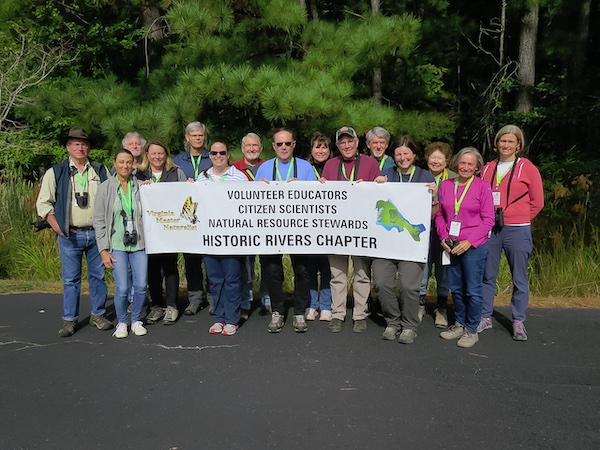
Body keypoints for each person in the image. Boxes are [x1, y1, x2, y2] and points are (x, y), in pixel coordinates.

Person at [36, 127, 113, 337]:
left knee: (98, 277)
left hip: (97, 234)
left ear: (88, 147)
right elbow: (43, 203)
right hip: (69, 235)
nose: (80, 147)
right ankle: (69, 320)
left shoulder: (100, 169)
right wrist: (56, 226)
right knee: (71, 279)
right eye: (75, 143)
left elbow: (111, 197)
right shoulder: (57, 171)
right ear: (68, 146)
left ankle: (98, 314)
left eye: (84, 143)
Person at [479, 125, 544, 341]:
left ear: (518, 145)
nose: (506, 145)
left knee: (519, 277)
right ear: (496, 143)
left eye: (511, 141)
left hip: (517, 229)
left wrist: (520, 217)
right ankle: (485, 316)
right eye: (502, 141)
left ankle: (518, 320)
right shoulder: (488, 168)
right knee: (487, 275)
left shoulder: (527, 168)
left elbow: (537, 202)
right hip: (491, 228)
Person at [372, 136, 437, 344]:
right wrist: (376, 187)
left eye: (406, 153)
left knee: (409, 287)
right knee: (382, 283)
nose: (402, 158)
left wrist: (434, 196)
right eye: (398, 154)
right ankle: (393, 321)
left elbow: (434, 213)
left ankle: (409, 325)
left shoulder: (425, 176)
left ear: (414, 155)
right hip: (386, 244)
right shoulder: (385, 175)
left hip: (412, 244)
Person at [256, 128, 317, 333]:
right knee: (272, 270)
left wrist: (304, 188)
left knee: (302, 270)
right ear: (273, 146)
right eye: (279, 144)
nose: (283, 147)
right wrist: (259, 187)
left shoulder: (305, 167)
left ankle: (299, 312)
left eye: (287, 143)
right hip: (271, 228)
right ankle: (278, 311)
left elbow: (318, 195)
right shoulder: (264, 167)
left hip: (299, 228)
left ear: (294, 144)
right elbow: (252, 202)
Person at [320, 126, 380, 333]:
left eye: (350, 141)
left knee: (362, 273)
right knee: (338, 274)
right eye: (342, 142)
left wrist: (375, 185)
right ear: (337, 145)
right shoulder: (330, 164)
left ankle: (360, 314)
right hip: (336, 229)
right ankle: (337, 313)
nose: (346, 145)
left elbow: (380, 195)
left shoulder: (370, 164)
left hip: (362, 228)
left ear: (357, 143)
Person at [436, 147, 494, 348]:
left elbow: (488, 220)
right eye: (463, 163)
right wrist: (443, 236)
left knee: (473, 290)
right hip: (451, 244)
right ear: (456, 164)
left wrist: (469, 242)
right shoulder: (445, 186)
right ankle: (459, 324)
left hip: (473, 246)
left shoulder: (483, 187)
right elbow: (441, 215)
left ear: (477, 167)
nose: (466, 167)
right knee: (457, 288)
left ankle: (472, 329)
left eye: (471, 164)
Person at [94, 149, 148, 338]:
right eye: (121, 162)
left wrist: (151, 190)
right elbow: (99, 221)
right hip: (117, 244)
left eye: (129, 162)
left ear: (134, 164)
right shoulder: (105, 188)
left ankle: (136, 319)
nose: (125, 166)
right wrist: (103, 249)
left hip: (139, 244)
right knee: (123, 287)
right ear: (114, 163)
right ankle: (122, 322)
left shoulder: (142, 186)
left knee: (141, 285)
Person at [197, 141, 248, 335]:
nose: (218, 156)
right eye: (214, 153)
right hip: (209, 239)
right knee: (215, 280)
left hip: (232, 238)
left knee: (232, 279)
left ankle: (232, 319)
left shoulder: (239, 177)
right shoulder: (201, 178)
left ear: (228, 155)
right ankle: (219, 317)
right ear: (209, 155)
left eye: (222, 153)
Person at [137, 140, 187, 325]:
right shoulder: (139, 174)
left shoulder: (177, 172)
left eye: (161, 153)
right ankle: (156, 305)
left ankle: (172, 306)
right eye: (153, 153)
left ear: (166, 155)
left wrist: (189, 186)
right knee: (152, 269)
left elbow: (186, 197)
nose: (157, 157)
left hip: (171, 229)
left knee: (170, 267)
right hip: (148, 230)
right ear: (147, 155)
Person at [173, 122, 213, 316]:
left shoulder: (212, 156)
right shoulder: (177, 160)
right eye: (194, 136)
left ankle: (214, 298)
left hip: (209, 217)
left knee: (211, 259)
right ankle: (195, 299)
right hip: (187, 218)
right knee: (191, 261)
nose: (198, 138)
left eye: (201, 136)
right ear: (187, 138)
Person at [231, 133, 271, 317]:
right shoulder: (233, 169)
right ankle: (245, 302)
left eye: (255, 145)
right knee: (246, 265)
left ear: (261, 148)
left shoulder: (269, 167)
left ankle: (267, 300)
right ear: (242, 149)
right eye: (248, 146)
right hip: (243, 226)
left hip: (267, 224)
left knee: (268, 263)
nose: (252, 149)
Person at [420, 141, 458, 328]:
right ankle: (419, 305)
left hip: (446, 232)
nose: (435, 161)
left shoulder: (454, 178)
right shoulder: (418, 175)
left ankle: (441, 308)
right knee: (423, 269)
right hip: (422, 230)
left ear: (447, 160)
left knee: (443, 271)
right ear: (427, 159)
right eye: (432, 157)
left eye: (440, 158)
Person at [306, 132, 333, 321]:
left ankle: (326, 305)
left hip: (331, 226)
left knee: (327, 268)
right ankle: (311, 304)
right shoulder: (303, 168)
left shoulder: (335, 168)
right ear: (311, 149)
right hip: (308, 226)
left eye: (324, 147)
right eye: (317, 147)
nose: (321, 150)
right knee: (309, 268)